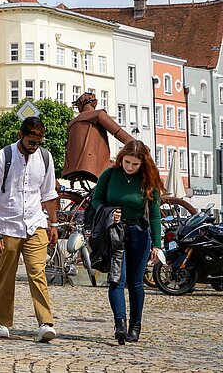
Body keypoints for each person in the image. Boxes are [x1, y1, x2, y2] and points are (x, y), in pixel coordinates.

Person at [0, 116, 59, 343]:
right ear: (21, 136)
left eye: (38, 142)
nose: (34, 147)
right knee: (6, 275)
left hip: (35, 223)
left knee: (37, 272)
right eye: (31, 142)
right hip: (8, 225)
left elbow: (48, 194)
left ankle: (45, 323)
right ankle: (3, 323)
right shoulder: (3, 157)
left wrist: (53, 224)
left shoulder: (45, 158)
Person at [90, 140, 163, 344]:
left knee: (135, 283)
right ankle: (120, 324)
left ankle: (135, 326)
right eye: (127, 162)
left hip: (139, 232)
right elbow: (96, 200)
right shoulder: (110, 174)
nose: (129, 167)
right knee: (116, 280)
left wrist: (157, 246)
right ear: (121, 158)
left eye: (135, 164)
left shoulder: (148, 179)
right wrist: (108, 212)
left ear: (143, 164)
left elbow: (155, 214)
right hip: (114, 232)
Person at [62, 92, 134, 183]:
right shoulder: (98, 115)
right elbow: (118, 132)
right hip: (95, 165)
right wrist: (135, 144)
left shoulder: (72, 124)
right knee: (125, 173)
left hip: (72, 167)